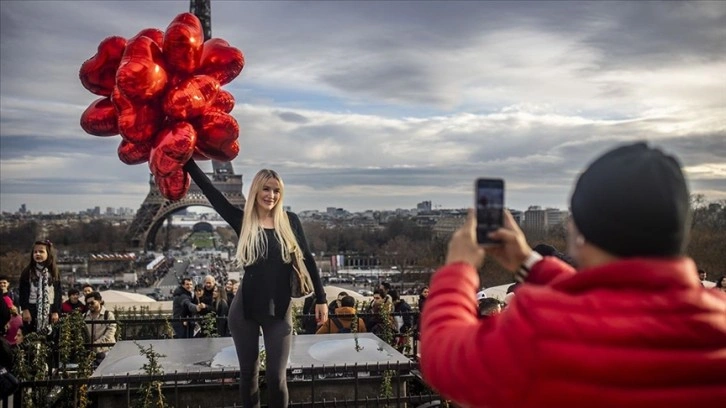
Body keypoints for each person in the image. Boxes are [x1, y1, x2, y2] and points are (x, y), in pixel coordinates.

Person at [420, 142, 726, 408]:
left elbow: (443, 357)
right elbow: (616, 300)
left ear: (580, 231)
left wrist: (457, 270)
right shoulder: (718, 317)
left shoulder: (541, 329)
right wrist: (528, 262)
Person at [184, 159, 328, 408]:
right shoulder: (242, 221)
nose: (271, 195)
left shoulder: (290, 221)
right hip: (244, 310)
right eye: (266, 189)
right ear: (255, 191)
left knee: (276, 377)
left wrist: (322, 299)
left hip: (279, 310)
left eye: (276, 190)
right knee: (248, 376)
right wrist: (187, 160)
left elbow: (308, 260)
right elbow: (211, 192)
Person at [18, 240, 62, 334]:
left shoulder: (54, 272)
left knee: (50, 338)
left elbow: (58, 293)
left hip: (49, 309)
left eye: (41, 251)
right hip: (32, 308)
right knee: (31, 338)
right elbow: (22, 293)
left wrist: (56, 311)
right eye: (35, 252)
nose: (37, 254)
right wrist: (25, 310)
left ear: (48, 253)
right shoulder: (27, 272)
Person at [83, 291, 116, 367]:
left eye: (92, 303)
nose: (90, 305)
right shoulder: (84, 316)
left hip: (106, 350)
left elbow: (110, 332)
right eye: (88, 304)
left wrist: (97, 343)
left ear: (100, 301)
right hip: (90, 352)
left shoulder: (108, 315)